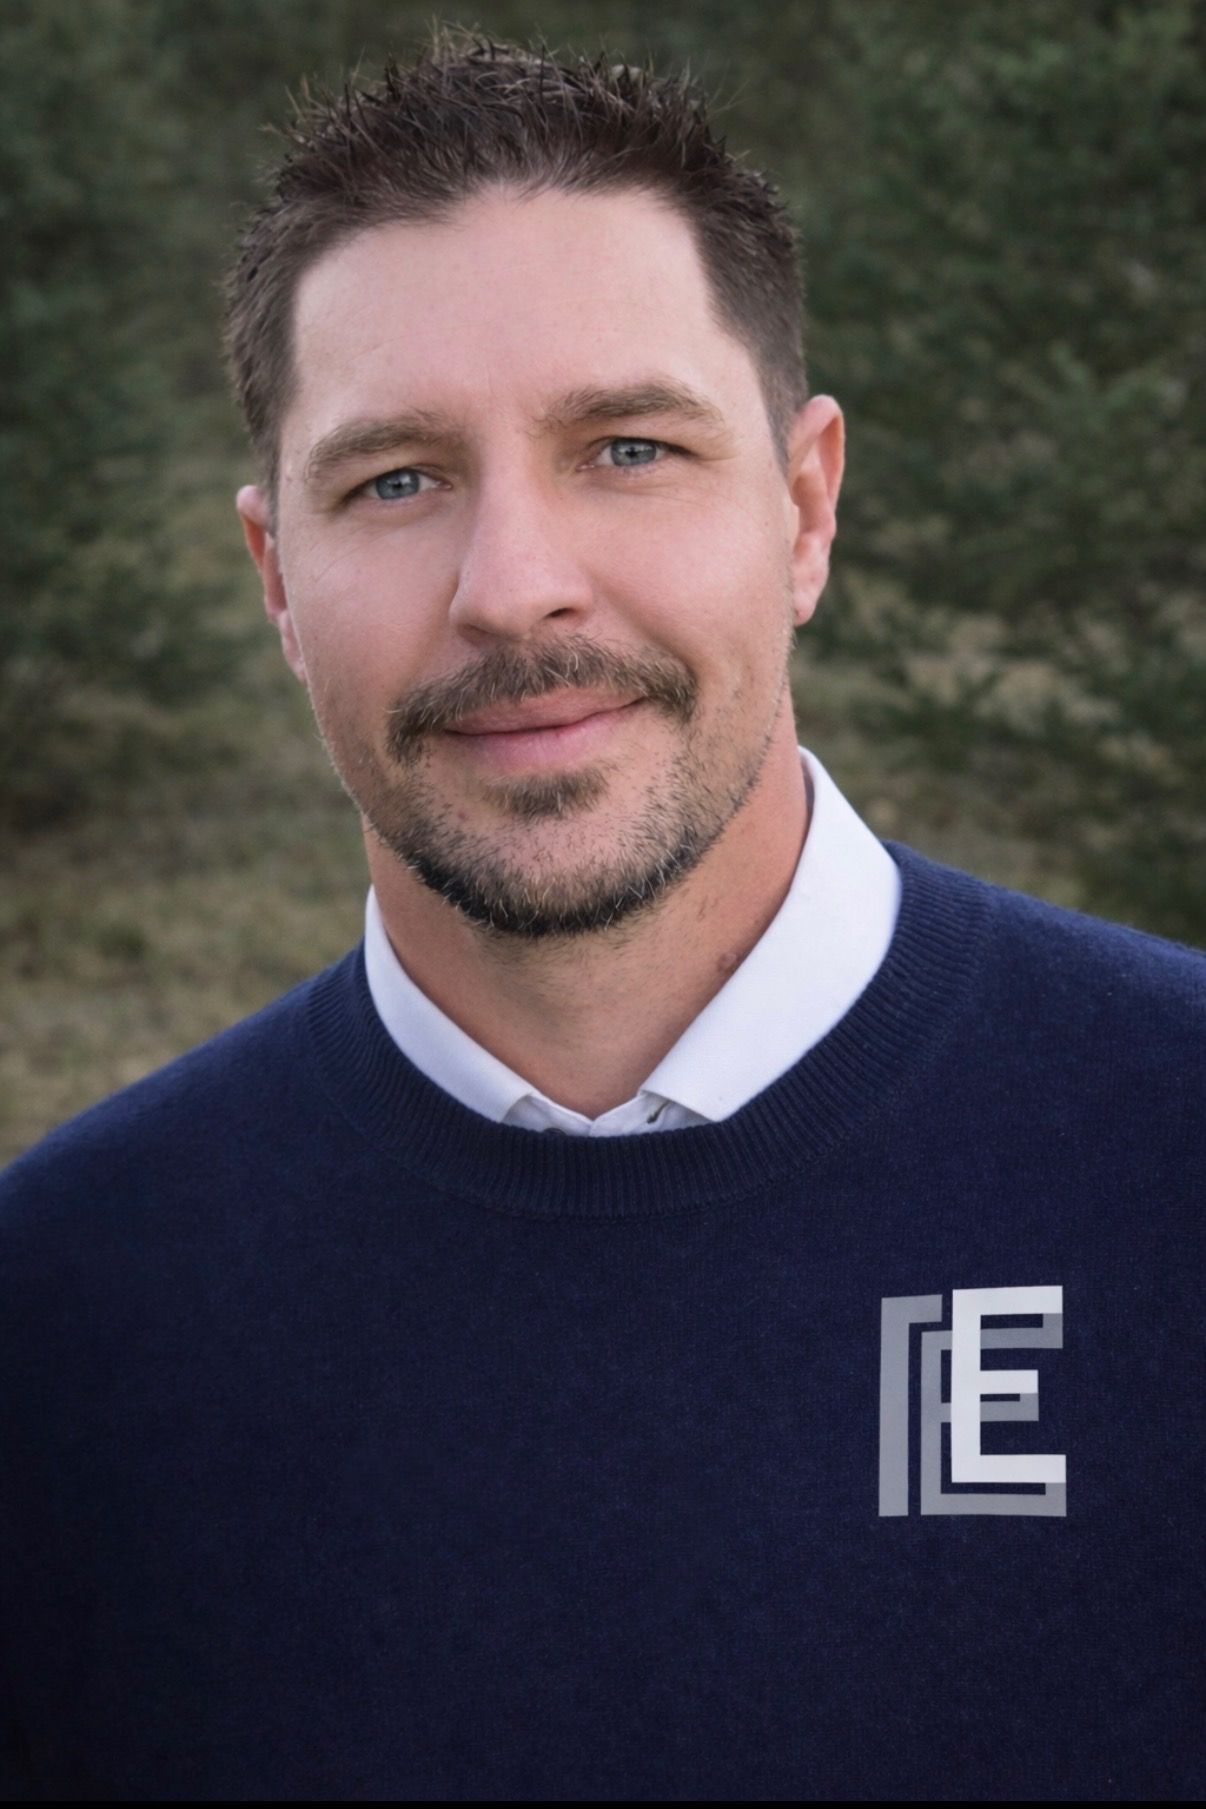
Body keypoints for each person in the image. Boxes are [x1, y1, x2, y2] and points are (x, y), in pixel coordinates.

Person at [1, 26, 1201, 1803]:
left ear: (803, 507)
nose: (513, 586)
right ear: (275, 574)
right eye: (395, 479)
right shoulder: (59, 1314)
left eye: (626, 447)